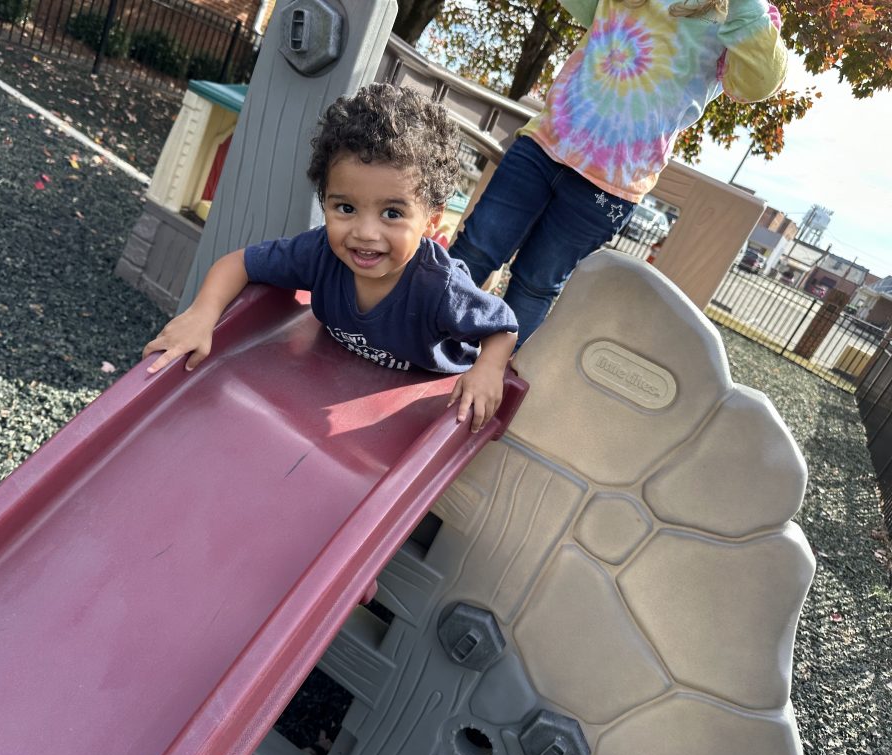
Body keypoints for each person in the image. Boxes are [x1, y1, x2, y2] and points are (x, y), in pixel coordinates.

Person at [143, 83, 519, 433]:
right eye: (346, 208)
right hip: (327, 383)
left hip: (418, 408)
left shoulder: (440, 287)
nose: (365, 232)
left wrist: (487, 369)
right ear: (325, 201)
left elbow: (502, 327)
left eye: (392, 213)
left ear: (431, 221)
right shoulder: (321, 252)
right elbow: (239, 262)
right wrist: (202, 315)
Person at [449, 0, 789, 344]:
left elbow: (758, 83)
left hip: (609, 188)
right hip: (542, 145)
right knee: (474, 251)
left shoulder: (743, 12)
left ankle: (490, 384)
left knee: (535, 285)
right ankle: (411, 343)